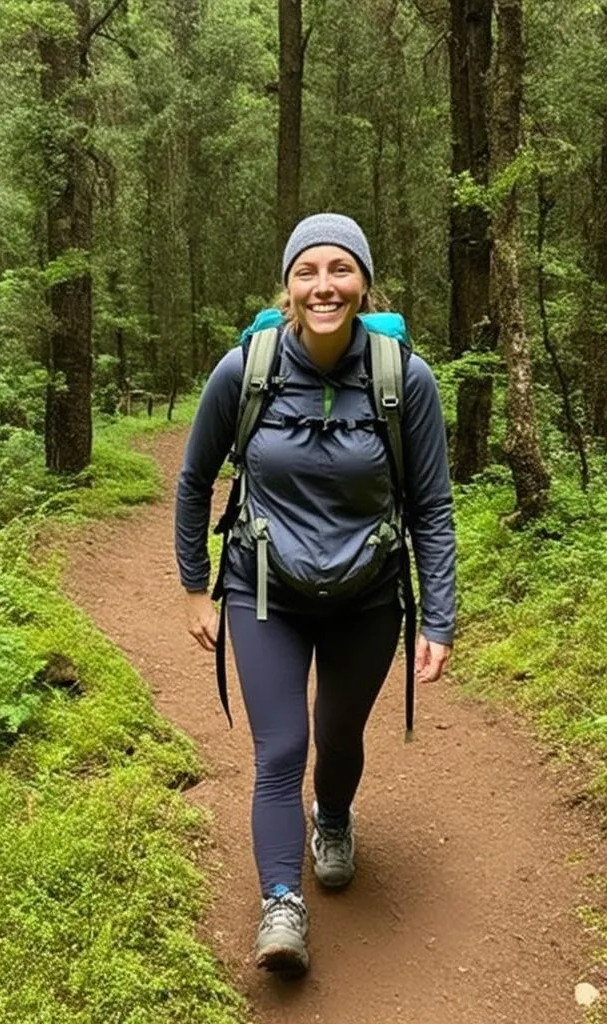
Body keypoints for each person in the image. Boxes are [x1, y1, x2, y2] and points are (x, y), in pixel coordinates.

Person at [174, 213, 455, 975]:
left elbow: (431, 503)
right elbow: (197, 480)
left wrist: (440, 616)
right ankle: (280, 903)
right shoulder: (245, 370)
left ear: (363, 283)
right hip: (265, 592)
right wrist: (196, 590)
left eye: (339, 269)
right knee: (282, 749)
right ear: (289, 285)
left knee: (336, 736)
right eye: (308, 271)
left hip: (367, 596)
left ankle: (332, 818)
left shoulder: (404, 379)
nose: (323, 286)